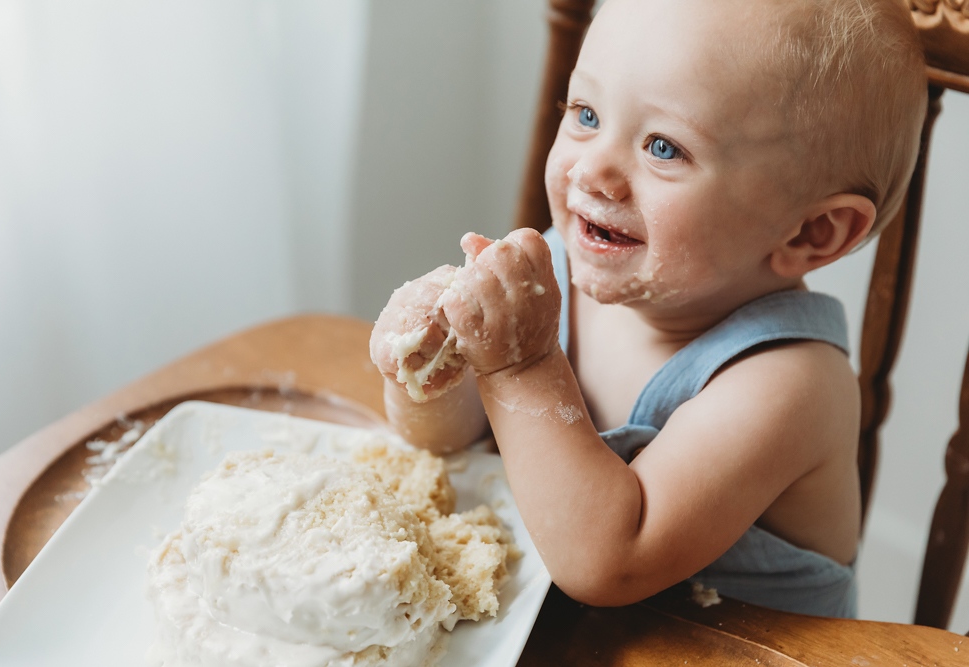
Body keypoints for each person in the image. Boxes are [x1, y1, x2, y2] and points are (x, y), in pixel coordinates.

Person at [369, 0, 927, 618]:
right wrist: (421, 373)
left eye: (663, 147)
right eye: (585, 114)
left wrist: (522, 367)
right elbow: (449, 443)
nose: (594, 169)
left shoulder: (790, 385)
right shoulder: (563, 271)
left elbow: (608, 560)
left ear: (811, 234)